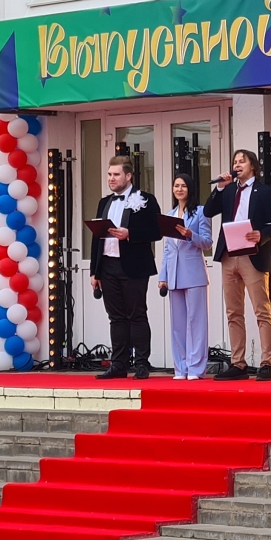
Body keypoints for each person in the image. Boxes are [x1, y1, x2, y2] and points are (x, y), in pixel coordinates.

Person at [204, 149, 271, 381]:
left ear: (253, 166)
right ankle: (238, 363)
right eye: (235, 161)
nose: (237, 165)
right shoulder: (228, 190)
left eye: (242, 161)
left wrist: (262, 235)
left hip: (253, 255)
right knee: (233, 312)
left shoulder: (265, 192)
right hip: (229, 254)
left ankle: (267, 363)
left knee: (262, 310)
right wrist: (219, 188)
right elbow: (208, 211)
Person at [90, 156, 162, 380]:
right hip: (107, 265)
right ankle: (118, 364)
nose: (111, 178)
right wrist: (94, 271)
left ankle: (141, 364)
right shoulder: (104, 202)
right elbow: (96, 238)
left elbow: (157, 231)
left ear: (128, 176)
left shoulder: (145, 199)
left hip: (133, 265)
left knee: (137, 315)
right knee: (116, 317)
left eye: (116, 174)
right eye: (109, 174)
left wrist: (130, 234)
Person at [158, 174, 213, 380]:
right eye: (176, 186)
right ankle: (180, 368)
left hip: (194, 273)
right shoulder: (170, 215)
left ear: (190, 189)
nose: (179, 189)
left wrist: (191, 235)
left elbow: (207, 242)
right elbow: (168, 249)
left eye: (183, 186)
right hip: (173, 274)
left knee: (196, 322)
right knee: (178, 325)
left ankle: (196, 368)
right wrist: (163, 275)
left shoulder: (200, 212)